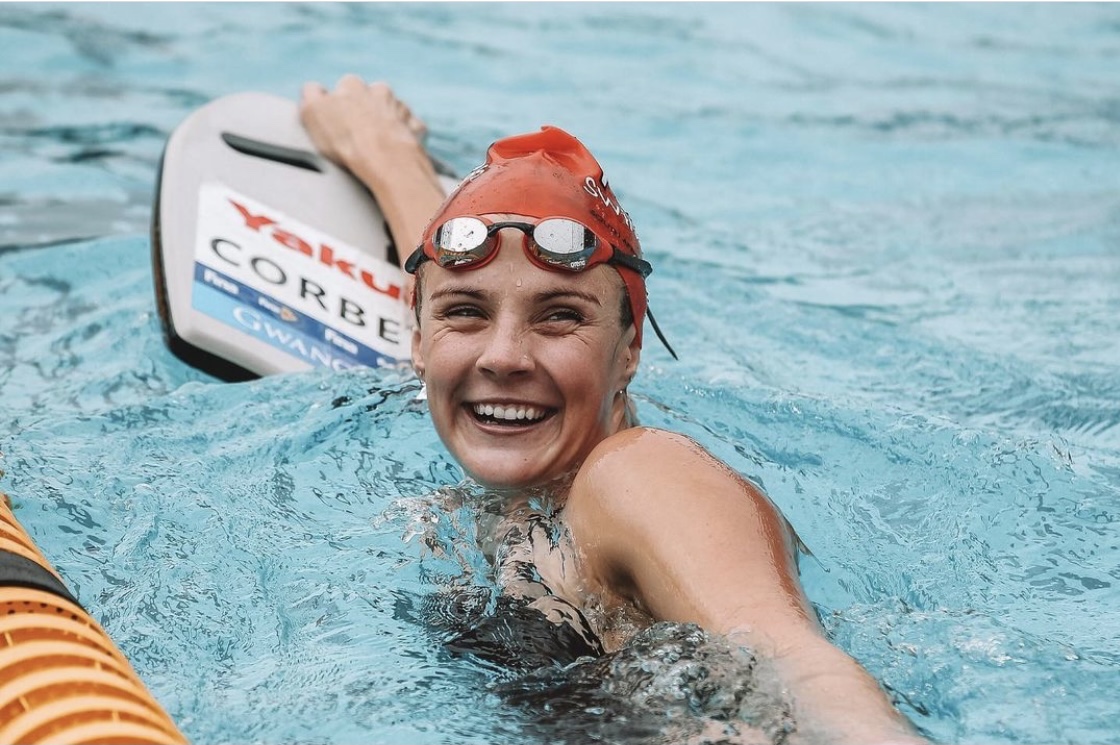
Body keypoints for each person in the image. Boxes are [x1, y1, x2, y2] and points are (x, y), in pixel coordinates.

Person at [300, 75, 927, 744]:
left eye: (560, 317)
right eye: (466, 312)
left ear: (628, 351)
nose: (502, 355)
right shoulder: (534, 464)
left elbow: (797, 663)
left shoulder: (638, 475)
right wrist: (386, 155)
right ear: (421, 338)